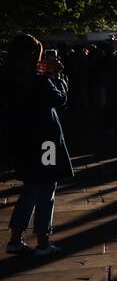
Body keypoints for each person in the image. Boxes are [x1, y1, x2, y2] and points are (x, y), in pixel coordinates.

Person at [3, 34, 74, 256]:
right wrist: (57, 75)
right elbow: (60, 99)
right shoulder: (39, 80)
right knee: (46, 188)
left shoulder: (8, 79)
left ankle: (15, 238)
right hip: (46, 143)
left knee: (30, 188)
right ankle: (43, 240)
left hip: (23, 141)